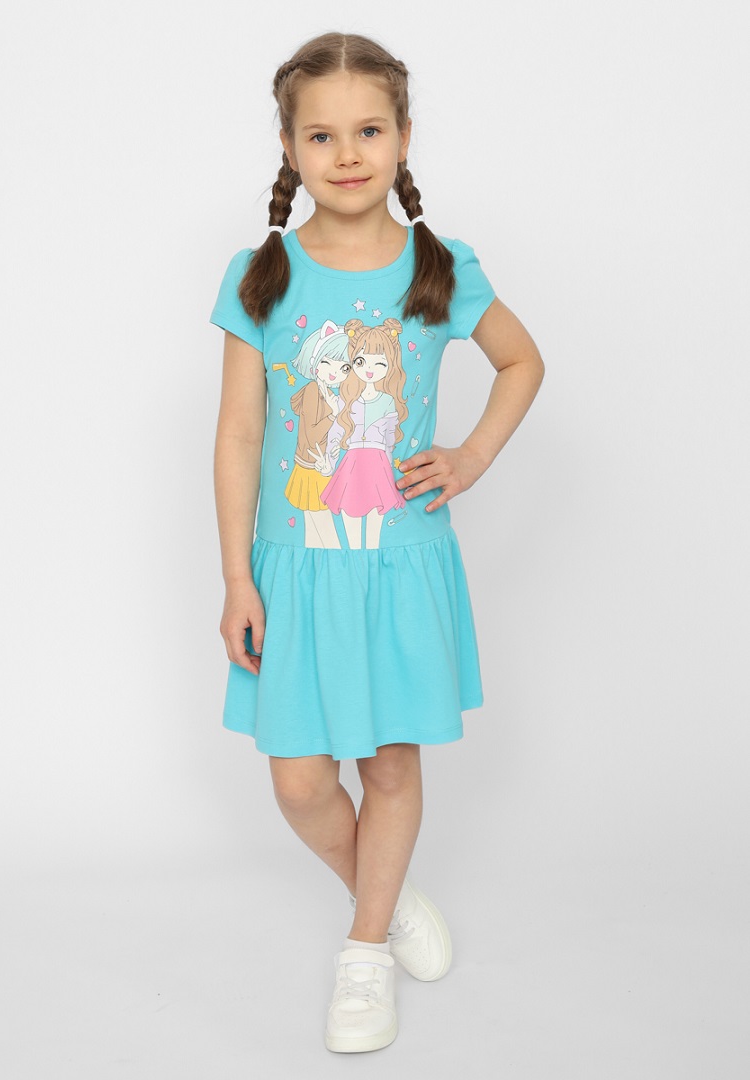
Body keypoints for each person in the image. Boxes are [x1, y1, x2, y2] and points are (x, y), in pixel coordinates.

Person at [210, 31, 544, 1055]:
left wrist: (471, 457)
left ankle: (364, 953)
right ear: (288, 146)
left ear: (404, 137)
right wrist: (236, 578)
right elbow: (238, 434)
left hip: (399, 566)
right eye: (322, 135)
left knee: (390, 763)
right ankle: (387, 896)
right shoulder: (262, 275)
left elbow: (522, 362)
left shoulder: (439, 268)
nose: (347, 153)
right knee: (300, 779)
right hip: (296, 571)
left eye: (369, 130)